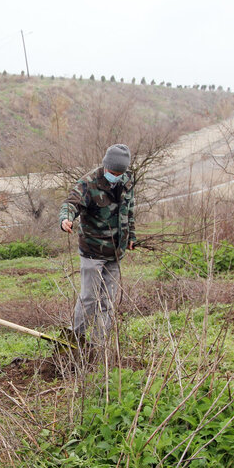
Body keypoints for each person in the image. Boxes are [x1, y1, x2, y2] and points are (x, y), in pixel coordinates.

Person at [59, 143, 137, 343]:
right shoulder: (88, 183)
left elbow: (129, 211)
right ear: (105, 166)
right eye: (112, 172)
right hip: (93, 251)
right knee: (89, 299)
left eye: (119, 172)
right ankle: (75, 339)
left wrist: (131, 236)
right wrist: (65, 219)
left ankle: (98, 344)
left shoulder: (127, 180)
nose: (116, 176)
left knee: (107, 302)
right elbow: (71, 203)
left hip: (115, 252)